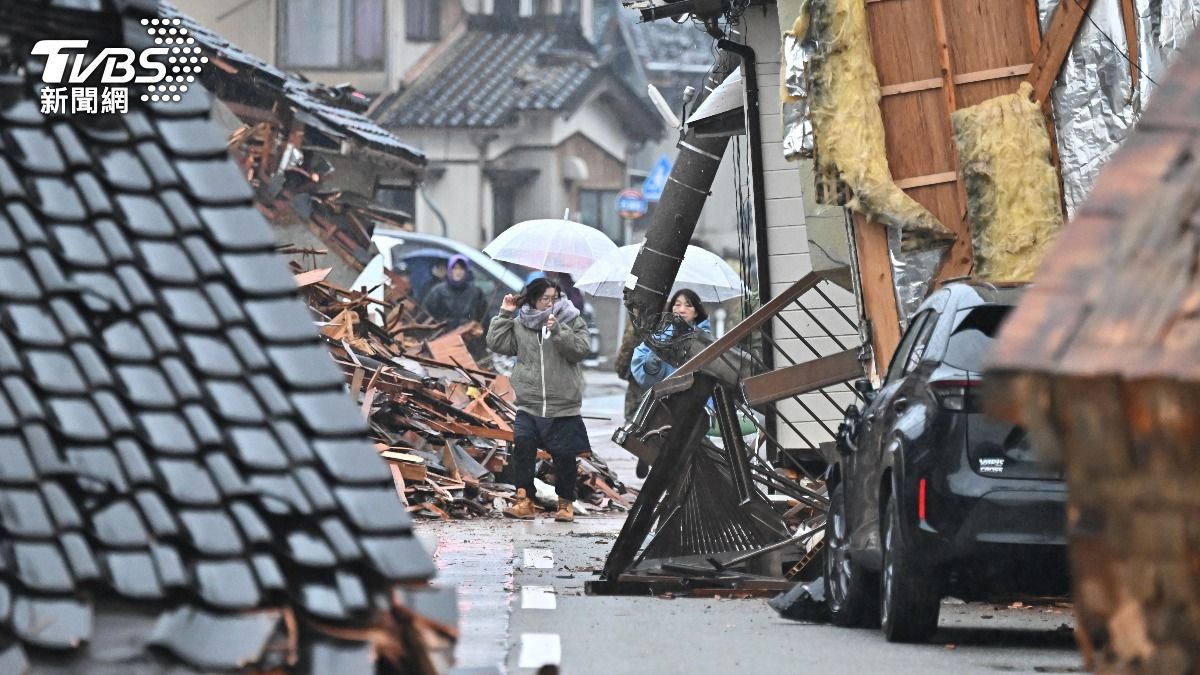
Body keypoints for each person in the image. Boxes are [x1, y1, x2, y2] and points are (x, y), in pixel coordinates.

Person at [486, 278, 592, 522]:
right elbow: (496, 343)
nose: (550, 303)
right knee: (522, 448)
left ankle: (565, 504)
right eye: (545, 298)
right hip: (529, 402)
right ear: (533, 299)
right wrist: (505, 313)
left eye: (554, 298)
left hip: (562, 403)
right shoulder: (521, 323)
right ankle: (524, 501)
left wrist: (558, 330)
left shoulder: (571, 319)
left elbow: (580, 350)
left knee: (564, 456)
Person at [631, 288, 711, 388]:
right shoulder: (658, 339)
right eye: (677, 305)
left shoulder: (709, 343)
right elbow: (640, 371)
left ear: (696, 312)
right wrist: (649, 367)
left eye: (688, 305)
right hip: (667, 400)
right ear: (671, 309)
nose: (682, 310)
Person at [423, 255, 487, 329]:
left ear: (466, 271)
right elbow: (427, 315)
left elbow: (483, 318)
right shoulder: (438, 291)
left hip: (468, 335)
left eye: (461, 269)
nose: (458, 272)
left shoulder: (476, 292)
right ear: (449, 270)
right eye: (455, 268)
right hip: (444, 336)